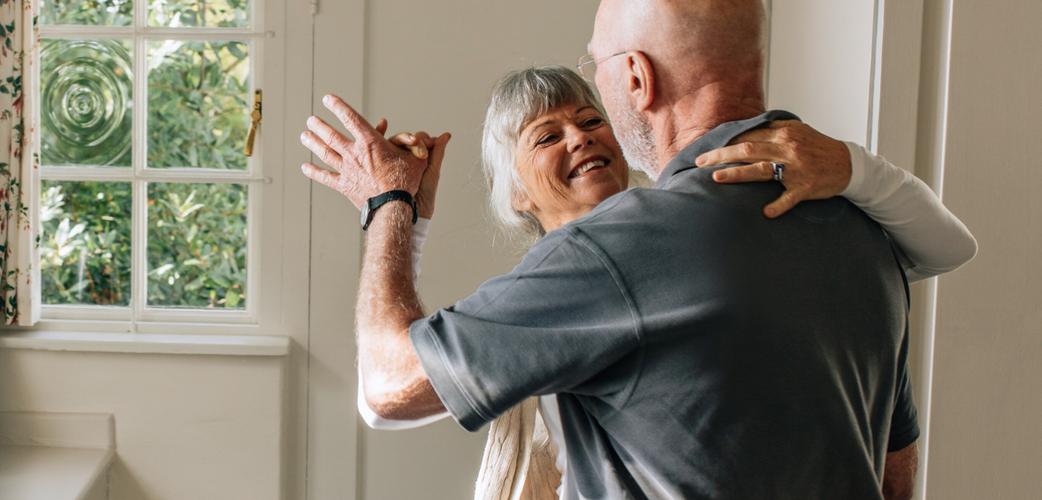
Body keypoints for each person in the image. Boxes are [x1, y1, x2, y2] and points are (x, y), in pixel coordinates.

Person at [297, 0, 974, 498]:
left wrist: (390, 205)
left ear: (636, 81)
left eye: (596, 80)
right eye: (545, 135)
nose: (582, 136)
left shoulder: (618, 252)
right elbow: (894, 471)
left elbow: (387, 389)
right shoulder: (863, 230)